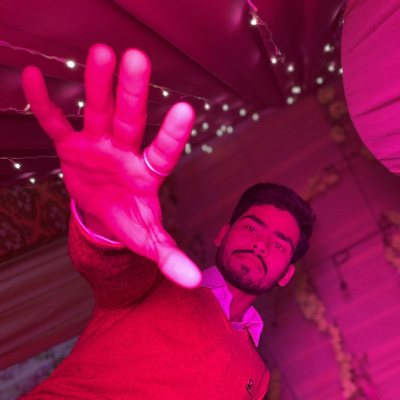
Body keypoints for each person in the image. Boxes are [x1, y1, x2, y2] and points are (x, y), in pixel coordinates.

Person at [20, 44, 315, 400]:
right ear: (223, 234)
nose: (260, 244)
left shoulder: (257, 376)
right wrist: (103, 222)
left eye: (280, 243)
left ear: (286, 274)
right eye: (251, 227)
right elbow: (107, 266)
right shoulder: (151, 285)